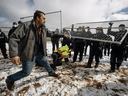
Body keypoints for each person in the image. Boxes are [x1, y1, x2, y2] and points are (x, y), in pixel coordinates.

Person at [5, 10, 69, 91]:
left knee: (45, 62)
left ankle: (51, 72)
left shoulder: (43, 29)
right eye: (43, 18)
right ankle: (10, 79)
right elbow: (13, 38)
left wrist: (63, 35)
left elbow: (52, 34)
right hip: (28, 54)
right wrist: (14, 54)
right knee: (26, 72)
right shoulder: (26, 26)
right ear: (37, 18)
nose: (45, 20)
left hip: (39, 52)